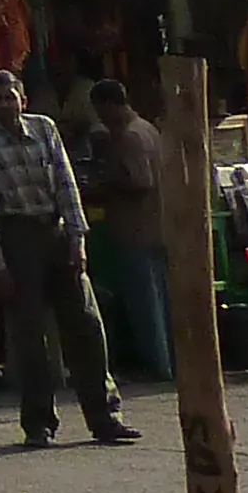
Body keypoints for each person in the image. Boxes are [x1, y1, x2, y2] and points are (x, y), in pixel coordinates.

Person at [0, 70, 137, 448]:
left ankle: (105, 417)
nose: (5, 105)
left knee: (86, 325)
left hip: (56, 231)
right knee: (31, 337)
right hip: (17, 236)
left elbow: (65, 182)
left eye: (11, 97)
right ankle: (38, 422)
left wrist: (78, 238)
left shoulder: (44, 129)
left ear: (23, 99)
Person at [83, 80, 176, 382]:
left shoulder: (131, 136)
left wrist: (104, 185)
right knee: (158, 301)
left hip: (139, 228)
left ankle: (157, 364)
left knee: (146, 305)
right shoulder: (148, 129)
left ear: (108, 105)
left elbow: (140, 181)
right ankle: (165, 362)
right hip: (156, 226)